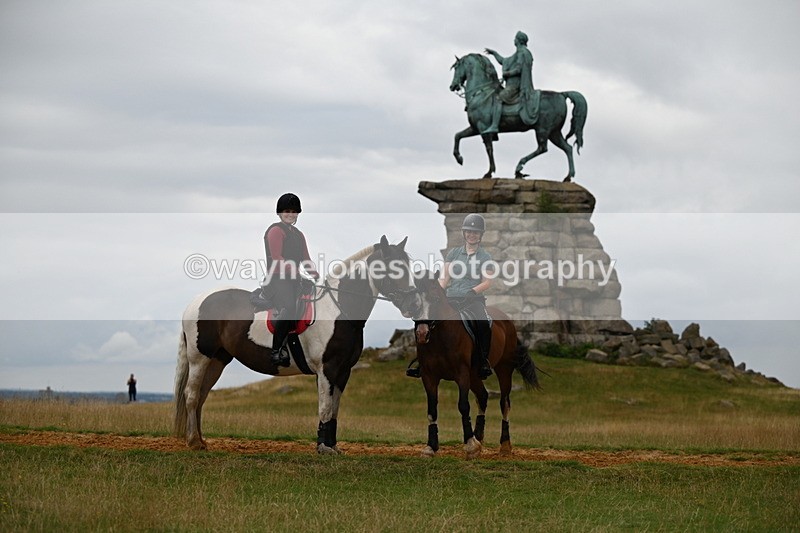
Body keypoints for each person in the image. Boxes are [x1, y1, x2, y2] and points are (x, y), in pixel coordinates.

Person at [263, 193, 319, 368]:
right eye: (287, 211)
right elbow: (277, 258)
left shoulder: (298, 234)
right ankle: (276, 350)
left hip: (296, 280)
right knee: (289, 306)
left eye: (294, 211)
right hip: (277, 279)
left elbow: (305, 258)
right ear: (280, 213)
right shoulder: (275, 231)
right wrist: (293, 270)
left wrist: (315, 274)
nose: (290, 214)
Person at [484, 30, 539, 132]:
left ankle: (495, 126)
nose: (514, 40)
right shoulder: (519, 52)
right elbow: (504, 61)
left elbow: (519, 69)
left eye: (515, 38)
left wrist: (507, 74)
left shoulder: (522, 53)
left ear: (518, 41)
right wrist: (494, 53)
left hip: (515, 86)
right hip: (511, 85)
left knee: (498, 98)